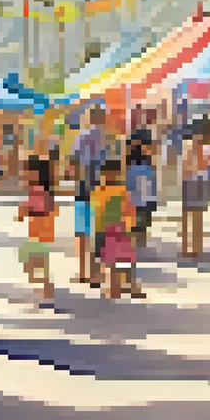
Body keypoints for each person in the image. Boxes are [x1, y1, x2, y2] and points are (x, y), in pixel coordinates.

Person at [71, 108, 109, 284]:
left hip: (83, 184)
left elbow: (74, 160)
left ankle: (82, 272)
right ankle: (97, 273)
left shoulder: (82, 135)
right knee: (99, 229)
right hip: (103, 187)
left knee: (82, 230)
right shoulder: (109, 138)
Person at [94, 161, 136, 299]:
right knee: (115, 262)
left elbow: (128, 210)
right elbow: (130, 211)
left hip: (112, 230)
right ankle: (117, 288)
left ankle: (115, 289)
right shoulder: (114, 191)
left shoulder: (105, 191)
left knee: (114, 262)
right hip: (113, 229)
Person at [17, 156, 57, 301]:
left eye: (28, 172)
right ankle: (45, 290)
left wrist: (26, 210)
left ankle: (47, 291)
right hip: (38, 235)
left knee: (35, 264)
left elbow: (45, 209)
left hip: (41, 235)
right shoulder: (36, 190)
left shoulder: (40, 191)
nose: (25, 175)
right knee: (35, 264)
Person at [181, 117, 210, 258]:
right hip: (200, 181)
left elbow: (188, 165)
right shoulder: (207, 146)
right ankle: (194, 248)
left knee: (189, 215)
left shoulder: (197, 145)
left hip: (193, 180)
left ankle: (189, 248)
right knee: (196, 215)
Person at [127, 130, 158, 251]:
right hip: (136, 195)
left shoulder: (147, 160)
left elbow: (153, 179)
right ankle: (137, 244)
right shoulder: (132, 161)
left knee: (143, 220)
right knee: (136, 220)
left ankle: (140, 244)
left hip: (144, 195)